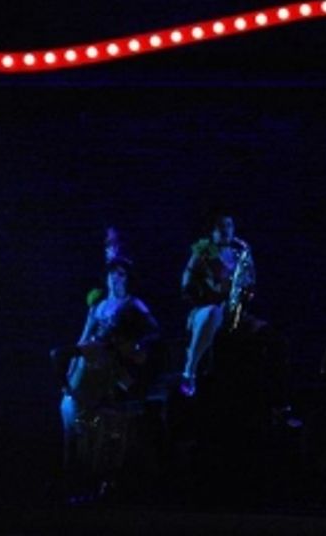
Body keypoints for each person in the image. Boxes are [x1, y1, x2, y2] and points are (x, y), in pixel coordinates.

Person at [56, 255, 160, 501]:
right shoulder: (99, 306)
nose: (115, 278)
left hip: (112, 365)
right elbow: (83, 337)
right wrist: (71, 367)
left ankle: (99, 479)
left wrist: (132, 346)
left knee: (98, 421)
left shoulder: (134, 304)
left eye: (121, 274)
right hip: (90, 362)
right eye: (112, 274)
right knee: (71, 411)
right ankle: (73, 475)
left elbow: (154, 331)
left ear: (128, 278)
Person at [178, 209, 254, 397]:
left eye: (229, 225)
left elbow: (251, 283)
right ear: (212, 230)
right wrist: (210, 290)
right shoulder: (204, 250)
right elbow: (186, 285)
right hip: (206, 308)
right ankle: (190, 369)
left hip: (235, 312)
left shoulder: (240, 252)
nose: (226, 230)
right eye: (221, 226)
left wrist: (244, 285)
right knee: (213, 313)